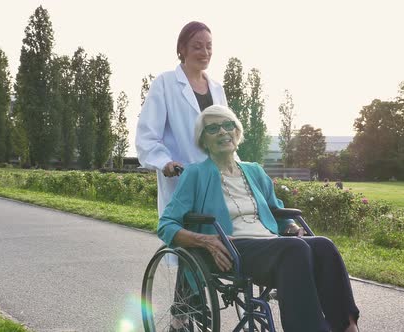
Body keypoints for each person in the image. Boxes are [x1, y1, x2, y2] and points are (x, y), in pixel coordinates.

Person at [158, 105, 360, 332]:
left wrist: (291, 226)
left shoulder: (253, 170)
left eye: (228, 125)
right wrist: (205, 240)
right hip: (232, 249)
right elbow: (166, 225)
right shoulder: (196, 174)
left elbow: (276, 210)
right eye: (213, 128)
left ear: (237, 132)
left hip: (271, 244)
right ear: (203, 141)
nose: (223, 132)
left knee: (324, 245)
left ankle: (347, 327)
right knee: (294, 249)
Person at [136, 21, 228, 215]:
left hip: (218, 179)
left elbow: (227, 134)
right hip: (182, 178)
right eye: (197, 46)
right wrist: (164, 163)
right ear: (182, 49)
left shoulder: (217, 90)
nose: (205, 52)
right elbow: (147, 136)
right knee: (188, 235)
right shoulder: (165, 84)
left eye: (209, 46)